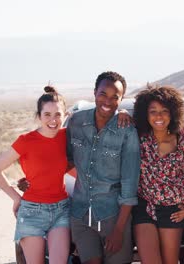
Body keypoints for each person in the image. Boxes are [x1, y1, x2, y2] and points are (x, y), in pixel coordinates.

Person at [0, 86, 71, 263]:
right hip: (32, 212)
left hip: (61, 210)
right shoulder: (26, 141)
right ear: (38, 116)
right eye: (47, 114)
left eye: (58, 114)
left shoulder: (67, 136)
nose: (53, 120)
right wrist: (15, 198)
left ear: (65, 116)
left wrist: (124, 112)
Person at [67, 71, 140, 264]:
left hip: (113, 217)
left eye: (114, 97)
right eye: (103, 94)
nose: (107, 101)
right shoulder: (76, 122)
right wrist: (34, 178)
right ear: (94, 93)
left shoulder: (127, 131)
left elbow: (130, 184)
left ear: (121, 99)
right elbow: (64, 160)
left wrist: (119, 230)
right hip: (80, 214)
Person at [131, 86, 184, 264]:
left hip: (173, 209)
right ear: (145, 114)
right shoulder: (139, 137)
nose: (159, 117)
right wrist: (121, 112)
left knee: (170, 261)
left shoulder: (182, 140)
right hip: (145, 206)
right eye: (153, 111)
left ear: (173, 113)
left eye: (164, 111)